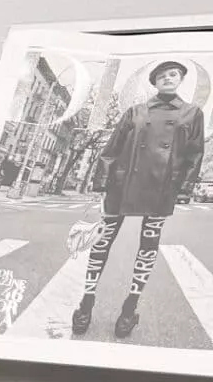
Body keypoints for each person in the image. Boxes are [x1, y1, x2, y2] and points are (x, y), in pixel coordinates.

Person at [71, 60, 205, 340]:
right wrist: (101, 182)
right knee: (102, 242)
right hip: (121, 185)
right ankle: (86, 302)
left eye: (173, 74)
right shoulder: (135, 111)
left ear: (180, 79)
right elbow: (112, 148)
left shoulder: (192, 113)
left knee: (148, 246)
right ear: (154, 82)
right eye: (162, 75)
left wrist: (183, 187)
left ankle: (129, 309)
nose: (168, 78)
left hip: (163, 187)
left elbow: (194, 153)